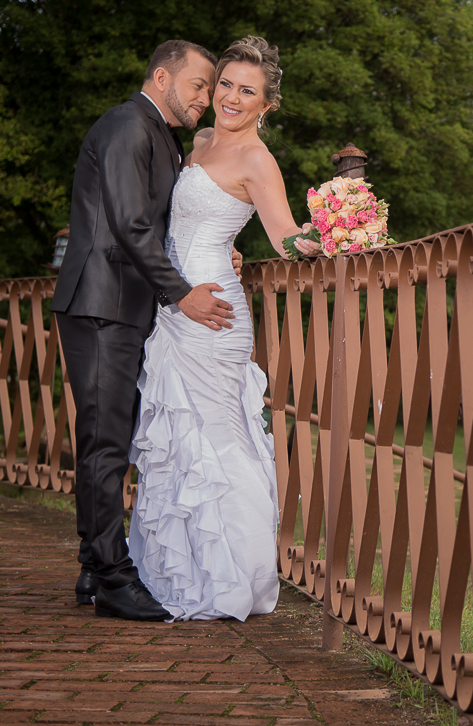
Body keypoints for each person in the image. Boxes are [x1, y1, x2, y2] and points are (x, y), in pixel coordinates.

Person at [126, 36, 319, 621]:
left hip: (215, 316)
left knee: (219, 439)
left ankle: (238, 578)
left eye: (247, 91)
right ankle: (175, 572)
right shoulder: (200, 140)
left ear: (268, 104)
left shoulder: (259, 160)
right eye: (226, 85)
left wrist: (334, 236)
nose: (231, 98)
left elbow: (285, 235)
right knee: (180, 442)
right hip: (174, 305)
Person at [52, 40, 242, 621]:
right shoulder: (126, 126)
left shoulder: (161, 134)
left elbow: (162, 226)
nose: (206, 99)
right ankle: (112, 577)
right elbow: (132, 226)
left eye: (211, 90)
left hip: (125, 306)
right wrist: (181, 292)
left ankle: (92, 566)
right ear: (162, 77)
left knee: (110, 438)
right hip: (102, 303)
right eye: (199, 86)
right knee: (106, 443)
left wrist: (220, 253)